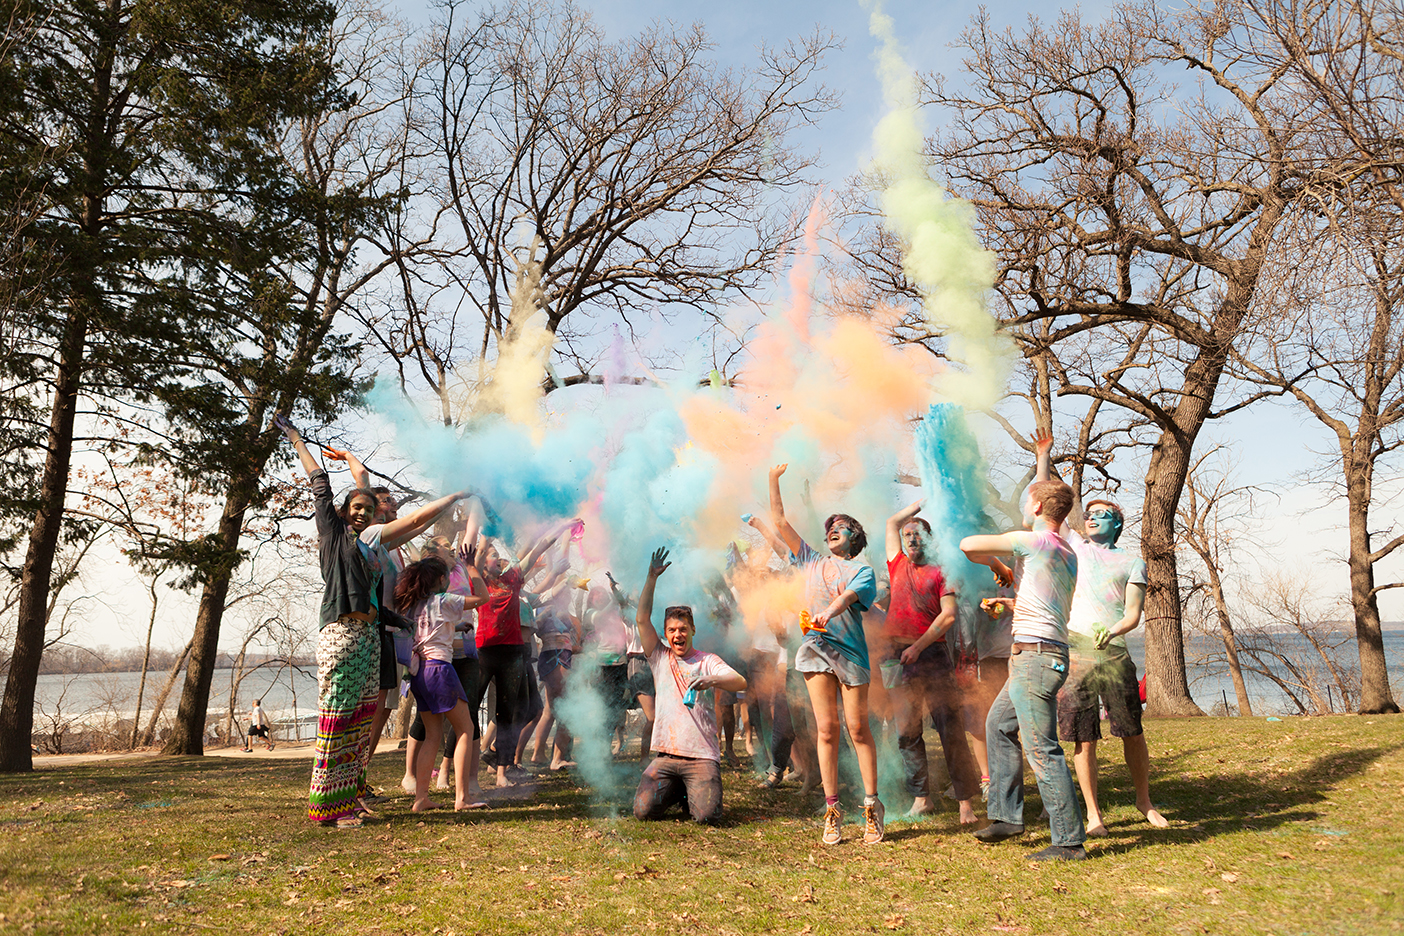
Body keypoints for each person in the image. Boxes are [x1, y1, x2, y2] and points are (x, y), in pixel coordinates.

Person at [276, 417, 466, 828]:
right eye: (356, 509)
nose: (362, 513)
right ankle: (325, 806)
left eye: (368, 509)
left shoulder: (373, 550)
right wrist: (295, 438)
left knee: (361, 720)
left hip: (368, 636)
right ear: (344, 514)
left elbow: (385, 516)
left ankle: (345, 801)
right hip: (341, 636)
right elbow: (319, 481)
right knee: (338, 715)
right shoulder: (335, 536)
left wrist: (402, 623)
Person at [1033, 435, 1169, 835]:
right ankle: (1093, 814)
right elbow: (1046, 501)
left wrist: (1112, 631)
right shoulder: (1074, 545)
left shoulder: (1131, 562)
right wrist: (1043, 458)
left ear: (1118, 524)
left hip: (1113, 654)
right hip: (1074, 652)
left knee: (1131, 731)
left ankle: (1144, 801)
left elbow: (1131, 615)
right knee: (1082, 737)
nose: (1091, 517)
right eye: (1088, 512)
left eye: (1102, 513)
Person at [960, 477, 1088, 861]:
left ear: (1036, 508)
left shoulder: (1035, 541)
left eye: (1026, 501)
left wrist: (1000, 557)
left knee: (1041, 747)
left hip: (1034, 658)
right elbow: (1043, 604)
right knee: (998, 726)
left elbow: (968, 546)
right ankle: (1006, 817)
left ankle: (1068, 841)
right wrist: (1007, 581)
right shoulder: (1064, 550)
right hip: (1039, 654)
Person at [765, 464, 883, 845]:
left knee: (858, 729)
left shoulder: (862, 571)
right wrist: (773, 480)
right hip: (815, 651)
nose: (833, 529)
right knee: (826, 730)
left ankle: (871, 804)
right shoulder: (811, 561)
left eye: (843, 526)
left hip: (851, 656)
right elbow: (780, 521)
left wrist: (826, 613)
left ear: (854, 538)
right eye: (831, 526)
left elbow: (848, 598)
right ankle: (832, 809)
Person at [632, 548, 746, 824]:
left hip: (701, 757)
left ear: (693, 630)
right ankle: (678, 791)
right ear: (665, 634)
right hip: (667, 757)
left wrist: (712, 680)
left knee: (707, 818)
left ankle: (689, 792)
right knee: (643, 812)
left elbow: (740, 681)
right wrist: (651, 578)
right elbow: (641, 619)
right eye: (671, 630)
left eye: (683, 629)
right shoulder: (660, 657)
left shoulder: (708, 660)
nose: (677, 635)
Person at [883, 501, 980, 823]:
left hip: (933, 657)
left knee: (949, 728)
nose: (911, 539)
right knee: (906, 732)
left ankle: (965, 801)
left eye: (918, 533)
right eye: (907, 534)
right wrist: (914, 507)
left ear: (930, 539)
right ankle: (922, 798)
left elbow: (948, 616)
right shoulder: (896, 564)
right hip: (898, 659)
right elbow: (890, 524)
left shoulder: (943, 571)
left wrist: (919, 647)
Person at [473, 520, 574, 789]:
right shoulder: (478, 580)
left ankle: (502, 773)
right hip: (484, 651)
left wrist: (561, 528)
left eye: (498, 556)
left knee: (510, 713)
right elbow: (478, 550)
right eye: (493, 556)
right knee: (471, 709)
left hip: (514, 654)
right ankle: (468, 774)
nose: (498, 560)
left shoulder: (513, 579)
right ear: (484, 563)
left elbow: (540, 546)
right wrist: (489, 525)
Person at [396, 550, 490, 811]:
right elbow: (483, 598)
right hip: (439, 670)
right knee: (465, 730)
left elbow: (429, 629)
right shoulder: (444, 600)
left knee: (433, 736)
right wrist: (471, 568)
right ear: (440, 579)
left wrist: (456, 628)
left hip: (419, 674)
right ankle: (463, 798)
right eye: (447, 577)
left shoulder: (415, 605)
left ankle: (421, 799)